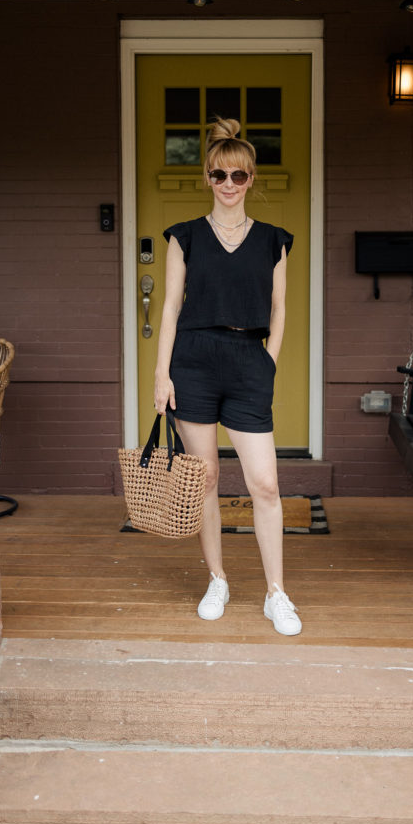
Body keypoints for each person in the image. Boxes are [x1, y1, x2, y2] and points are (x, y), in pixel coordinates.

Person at [153, 117, 302, 636]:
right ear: (208, 179)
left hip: (247, 361)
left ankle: (276, 593)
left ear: (252, 179)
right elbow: (170, 308)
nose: (229, 186)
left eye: (239, 176)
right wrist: (160, 373)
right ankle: (217, 578)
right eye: (220, 175)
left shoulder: (272, 241)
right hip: (192, 362)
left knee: (265, 483)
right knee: (207, 479)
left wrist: (270, 361)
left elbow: (280, 309)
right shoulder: (185, 237)